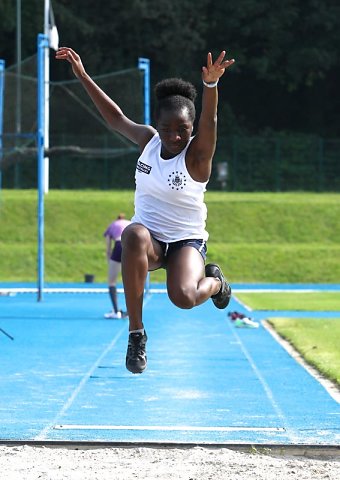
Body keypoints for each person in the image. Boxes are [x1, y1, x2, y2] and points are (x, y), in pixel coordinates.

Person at [56, 47, 235, 375]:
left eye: (182, 130)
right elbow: (115, 118)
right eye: (166, 129)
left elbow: (210, 122)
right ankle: (136, 334)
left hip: (186, 242)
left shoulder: (197, 156)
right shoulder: (149, 141)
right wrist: (82, 75)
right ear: (157, 125)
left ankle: (216, 283)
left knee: (182, 297)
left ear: (191, 129)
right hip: (150, 240)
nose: (173, 137)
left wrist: (211, 86)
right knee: (132, 234)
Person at [103, 213, 131, 319]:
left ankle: (116, 311)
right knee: (131, 281)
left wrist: (109, 259)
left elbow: (108, 247)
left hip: (119, 245)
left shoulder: (113, 225)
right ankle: (131, 311)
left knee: (112, 281)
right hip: (131, 245)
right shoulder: (130, 223)